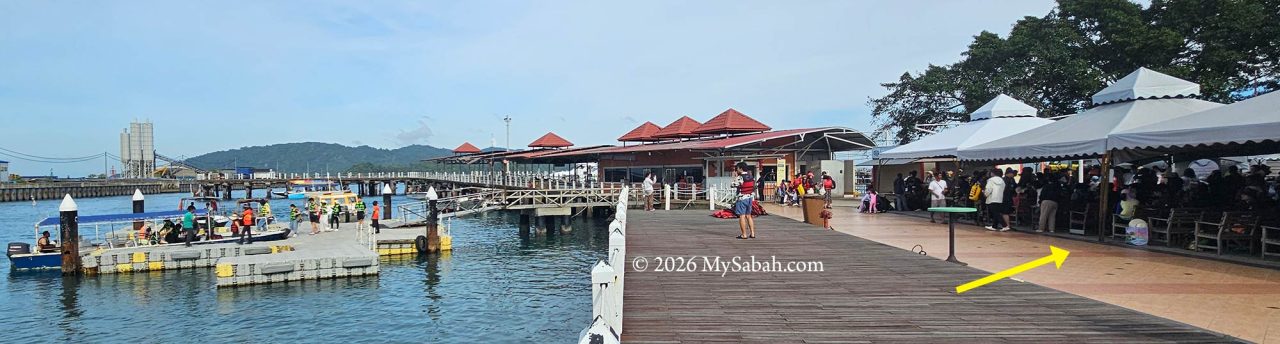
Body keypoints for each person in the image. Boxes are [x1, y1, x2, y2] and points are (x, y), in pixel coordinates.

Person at [731, 162, 757, 239]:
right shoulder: (751, 176)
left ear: (741, 169)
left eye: (737, 168)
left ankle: (744, 234)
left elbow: (733, 184)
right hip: (750, 198)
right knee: (749, 216)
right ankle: (752, 233)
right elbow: (754, 186)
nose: (736, 170)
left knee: (742, 216)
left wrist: (734, 177)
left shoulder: (740, 177)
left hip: (742, 198)